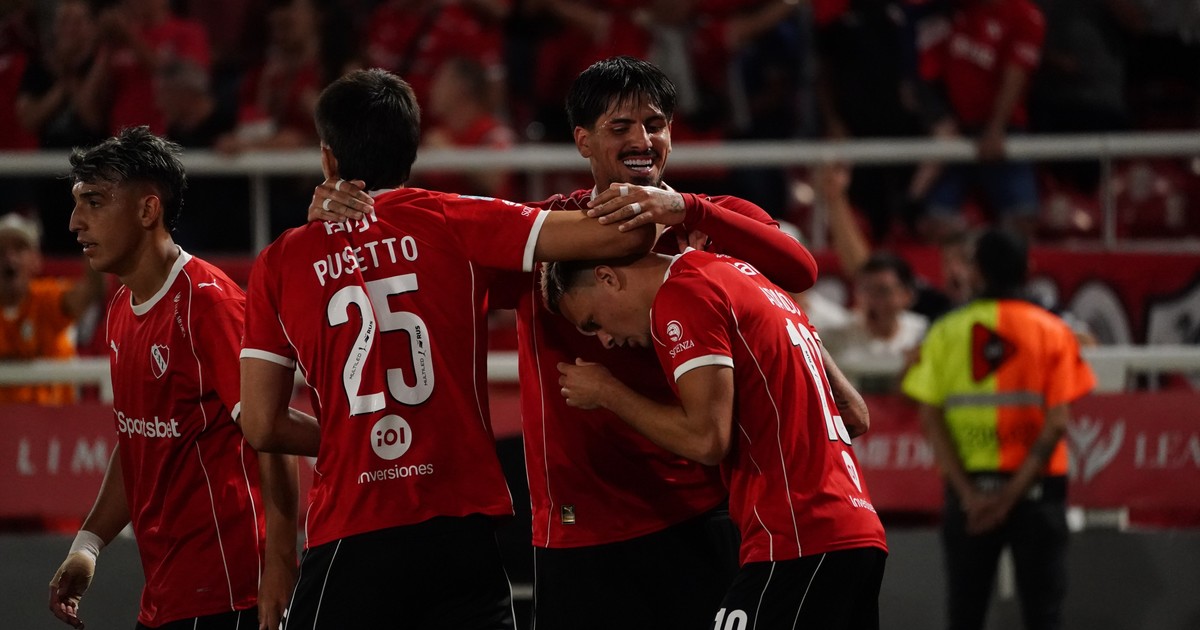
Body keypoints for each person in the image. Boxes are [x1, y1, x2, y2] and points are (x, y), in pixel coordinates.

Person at [310, 55, 823, 629]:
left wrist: (686, 207)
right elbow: (418, 260)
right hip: (578, 531)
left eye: (655, 125)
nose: (642, 140)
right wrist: (347, 217)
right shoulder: (539, 233)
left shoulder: (710, 218)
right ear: (582, 141)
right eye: (620, 127)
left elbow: (800, 269)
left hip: (697, 512)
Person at [237, 68, 654, 629]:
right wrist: (668, 197)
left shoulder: (279, 262)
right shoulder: (453, 218)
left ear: (328, 159)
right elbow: (621, 233)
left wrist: (347, 437)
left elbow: (261, 424)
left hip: (353, 528)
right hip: (459, 524)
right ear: (413, 150)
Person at [542, 247, 888, 629]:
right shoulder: (749, 278)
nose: (605, 340)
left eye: (593, 322)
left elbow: (706, 440)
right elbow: (855, 414)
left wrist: (608, 392)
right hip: (857, 529)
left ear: (608, 278)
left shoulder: (683, 293)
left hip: (798, 533)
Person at [46, 127, 300, 630]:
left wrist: (279, 564)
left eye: (93, 202)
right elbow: (139, 438)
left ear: (148, 210)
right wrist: (88, 545)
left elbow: (271, 439)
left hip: (229, 593)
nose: (75, 222)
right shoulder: (123, 305)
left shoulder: (209, 306)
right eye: (76, 204)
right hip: (166, 595)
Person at [900, 228, 1096, 630]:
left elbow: (929, 417)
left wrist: (970, 496)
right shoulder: (1054, 331)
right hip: (1038, 495)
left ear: (975, 271)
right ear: (1029, 268)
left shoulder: (944, 331)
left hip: (968, 497)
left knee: (965, 617)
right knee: (1044, 618)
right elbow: (1057, 423)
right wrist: (1009, 500)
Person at [0, 211, 104, 405]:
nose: (9, 257)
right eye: (1, 250)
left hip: (53, 420)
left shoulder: (47, 301)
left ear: (36, 260)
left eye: (19, 248)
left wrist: (93, 231)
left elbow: (91, 290)